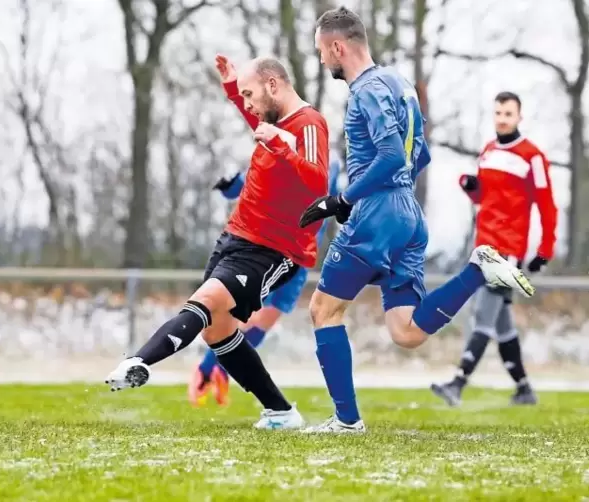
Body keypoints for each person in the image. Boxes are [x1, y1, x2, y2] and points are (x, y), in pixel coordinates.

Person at [298, 6, 536, 434]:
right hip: (408, 213)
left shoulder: (365, 89)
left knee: (323, 309)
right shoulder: (400, 83)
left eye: (321, 51)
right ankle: (477, 271)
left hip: (378, 215)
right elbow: (417, 154)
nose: (320, 59)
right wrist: (387, 194)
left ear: (338, 46)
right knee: (406, 332)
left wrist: (343, 199)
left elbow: (389, 155)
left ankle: (347, 421)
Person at [106, 55, 330, 430]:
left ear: (273, 85)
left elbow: (318, 185)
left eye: (249, 94)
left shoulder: (309, 123)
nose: (248, 104)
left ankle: (139, 361)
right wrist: (230, 87)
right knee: (216, 329)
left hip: (273, 248)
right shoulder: (272, 122)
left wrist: (282, 147)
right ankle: (280, 412)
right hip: (235, 237)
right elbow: (259, 126)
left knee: (206, 302)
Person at [430, 91, 557, 407]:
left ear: (519, 117)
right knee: (501, 325)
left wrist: (545, 250)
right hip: (483, 245)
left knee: (483, 315)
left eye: (508, 114)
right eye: (498, 113)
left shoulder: (533, 157)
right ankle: (525, 389)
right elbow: (485, 198)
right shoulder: (487, 151)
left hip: (507, 250)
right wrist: (472, 189)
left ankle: (458, 383)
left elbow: (547, 206)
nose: (502, 119)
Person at [189, 158, 341, 407]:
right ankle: (209, 369)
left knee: (266, 318)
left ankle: (218, 369)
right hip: (273, 245)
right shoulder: (287, 153)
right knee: (248, 316)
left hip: (304, 253)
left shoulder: (333, 164)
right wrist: (231, 184)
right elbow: (255, 179)